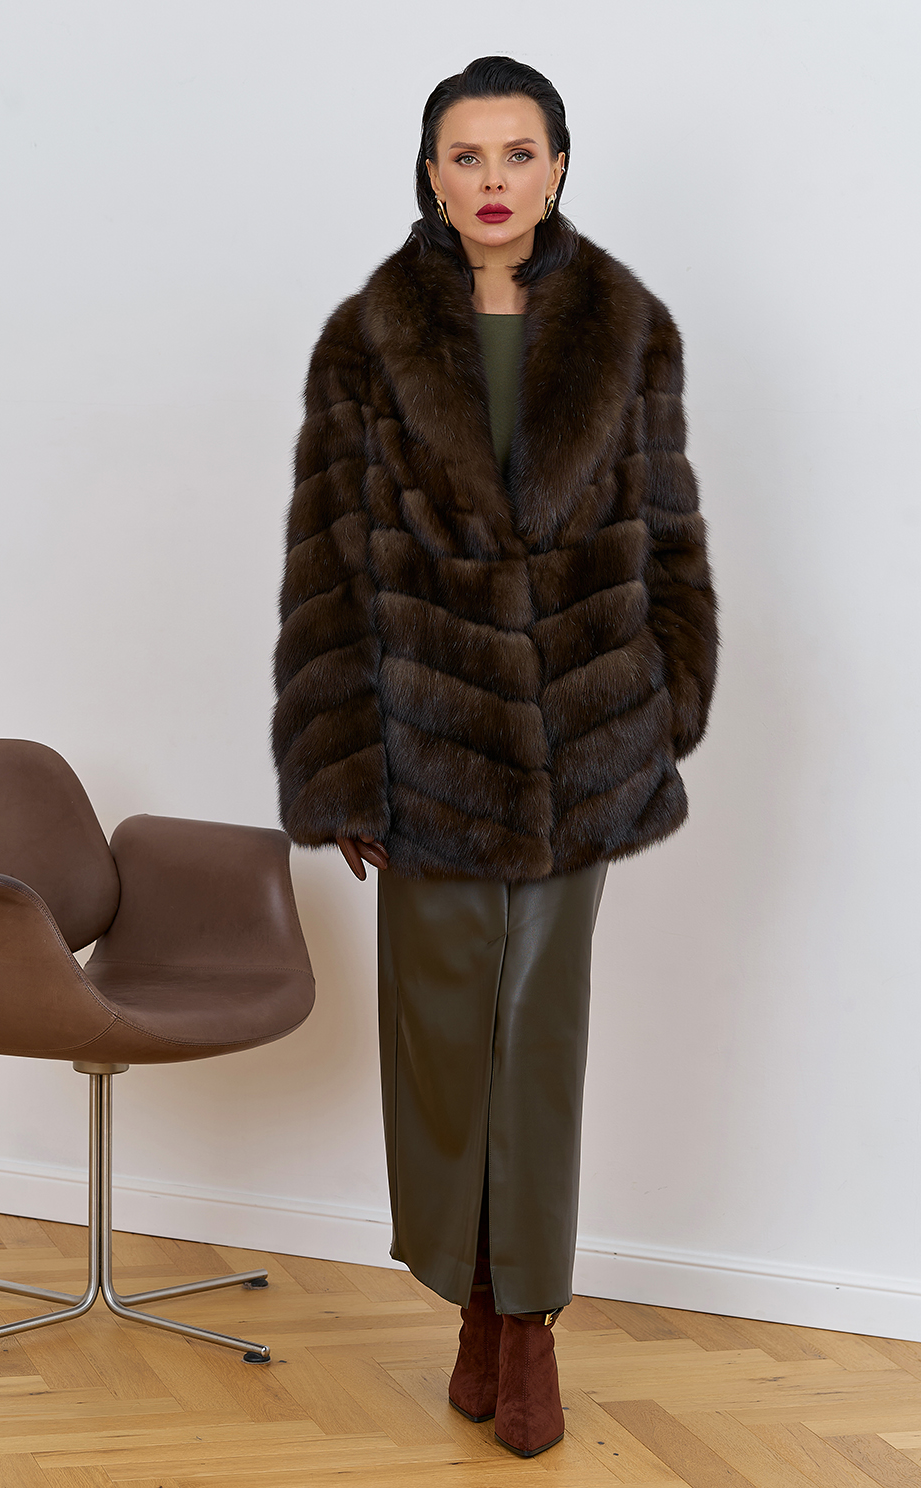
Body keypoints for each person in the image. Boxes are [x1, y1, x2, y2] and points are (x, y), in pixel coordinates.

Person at [271, 55, 718, 1458]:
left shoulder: (629, 327)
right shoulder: (367, 339)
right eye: (465, 157)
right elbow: (326, 565)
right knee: (444, 1041)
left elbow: (670, 533)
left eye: (518, 154)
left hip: (585, 748)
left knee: (543, 1039)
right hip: (427, 749)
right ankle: (470, 1295)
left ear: (559, 168)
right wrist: (341, 770)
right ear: (431, 173)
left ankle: (527, 1326)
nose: (493, 181)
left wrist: (662, 704)